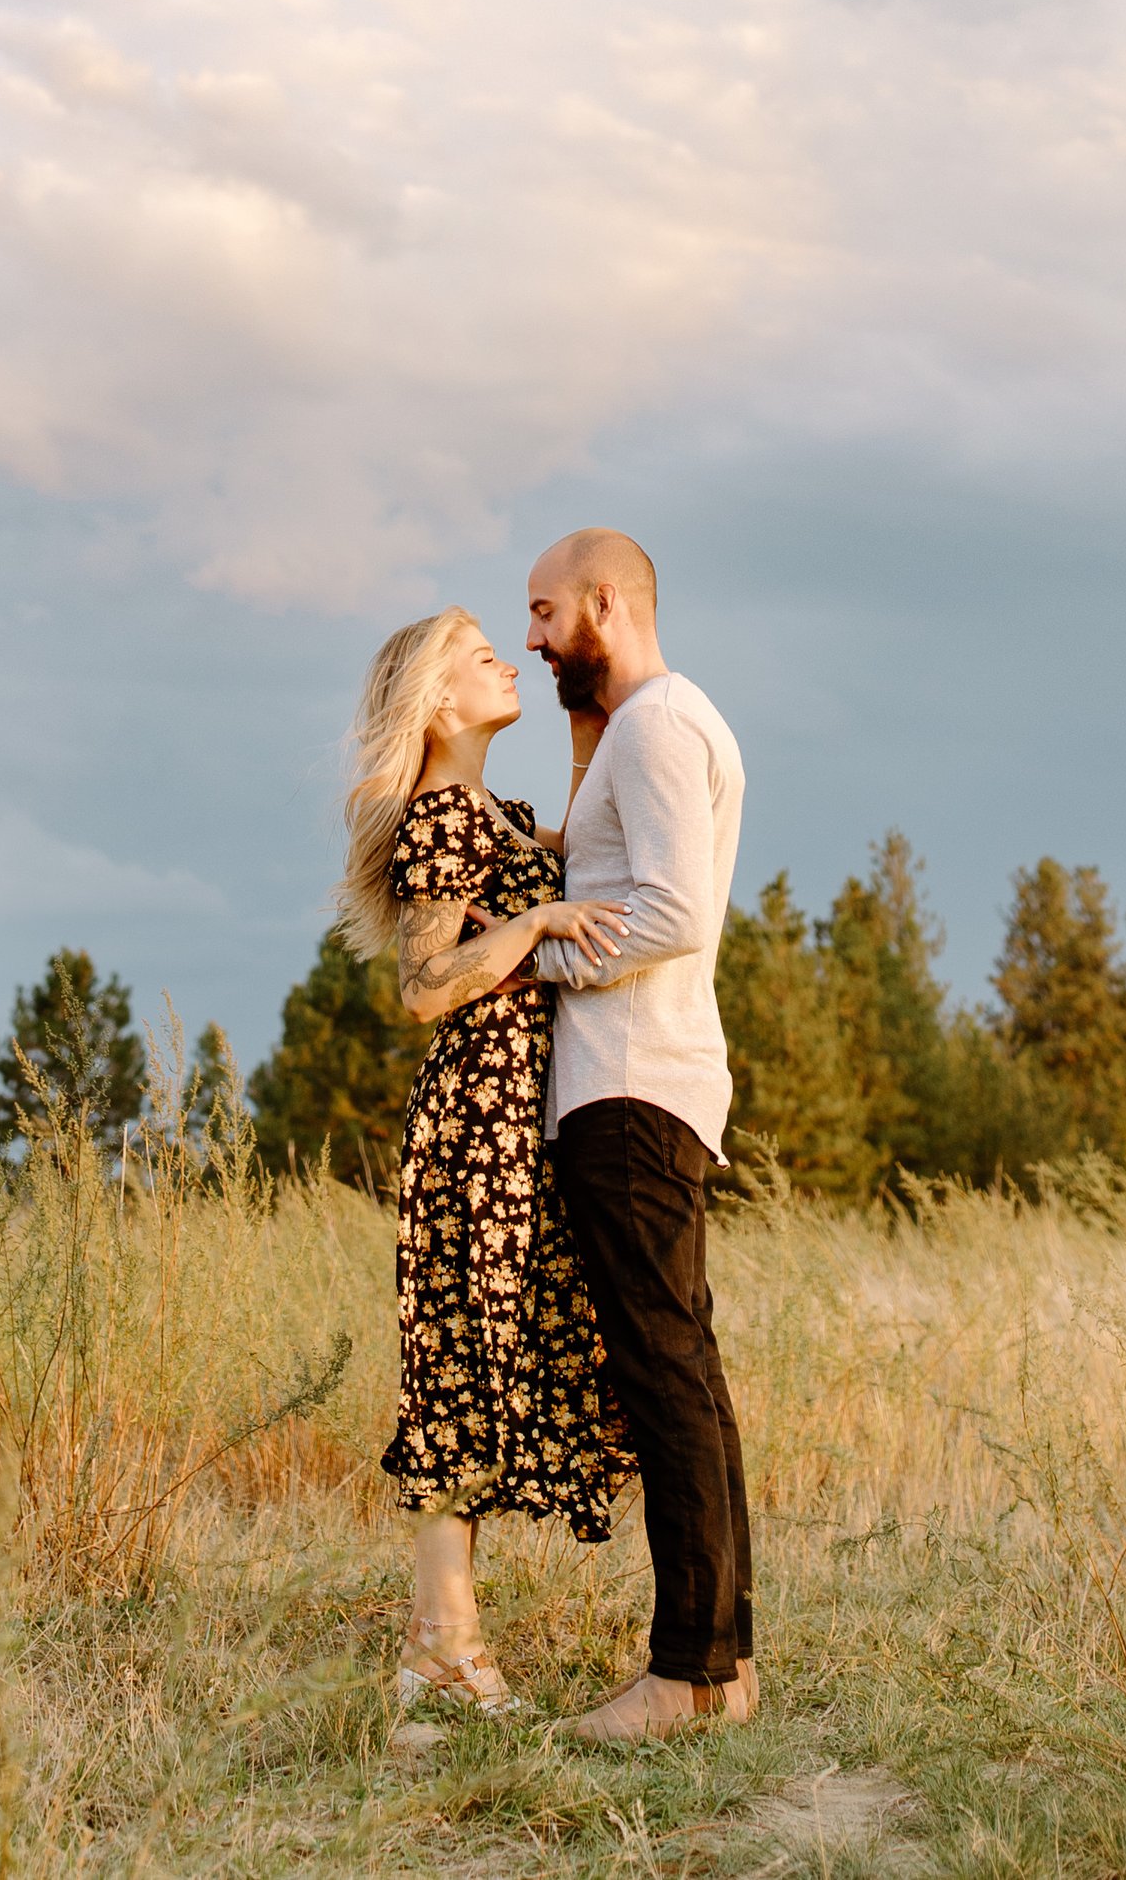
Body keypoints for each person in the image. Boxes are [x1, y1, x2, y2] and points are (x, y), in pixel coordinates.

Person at [340, 603, 637, 1723]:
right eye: (480, 656)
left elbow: (585, 838)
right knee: (461, 1358)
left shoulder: (492, 816)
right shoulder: (438, 818)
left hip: (523, 1110)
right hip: (478, 1115)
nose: (503, 660)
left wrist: (582, 715)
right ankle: (438, 1652)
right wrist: (539, 923)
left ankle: (445, 1651)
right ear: (436, 702)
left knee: (505, 1350)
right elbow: (424, 988)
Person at [526, 529, 756, 1743]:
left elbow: (668, 909)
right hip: (645, 1082)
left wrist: (528, 946)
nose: (530, 635)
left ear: (604, 602)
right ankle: (724, 1663)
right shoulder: (640, 728)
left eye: (545, 610)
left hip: (628, 1089)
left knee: (663, 1373)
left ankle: (686, 1673)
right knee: (683, 1371)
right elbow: (615, 864)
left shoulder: (659, 725)